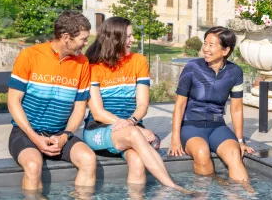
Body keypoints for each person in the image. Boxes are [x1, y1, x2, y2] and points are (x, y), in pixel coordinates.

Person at [83, 17, 187, 192]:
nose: (133, 40)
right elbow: (98, 113)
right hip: (98, 130)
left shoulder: (138, 61)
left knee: (138, 162)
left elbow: (142, 104)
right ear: (115, 39)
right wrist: (136, 128)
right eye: (129, 36)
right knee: (132, 133)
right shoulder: (93, 67)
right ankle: (171, 186)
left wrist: (132, 122)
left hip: (131, 128)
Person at [7, 10, 97, 193]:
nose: (87, 43)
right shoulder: (30, 55)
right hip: (26, 133)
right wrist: (35, 138)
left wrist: (64, 136)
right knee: (33, 165)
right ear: (66, 37)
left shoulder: (83, 63)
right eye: (83, 39)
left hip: (60, 134)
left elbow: (80, 108)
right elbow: (13, 101)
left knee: (89, 159)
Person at [168, 26, 254, 183]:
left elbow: (236, 109)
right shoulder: (192, 68)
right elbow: (180, 105)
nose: (205, 49)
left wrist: (240, 140)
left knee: (235, 155)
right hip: (191, 125)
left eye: (211, 45)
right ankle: (214, 189)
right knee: (201, 152)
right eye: (205, 43)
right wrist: (175, 138)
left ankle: (247, 195)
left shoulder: (235, 72)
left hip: (217, 126)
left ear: (225, 50)